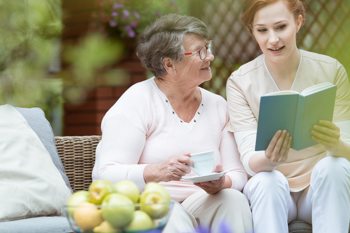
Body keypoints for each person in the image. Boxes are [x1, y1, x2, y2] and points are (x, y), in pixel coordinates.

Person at [93, 14, 253, 233]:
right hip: (150, 204)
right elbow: (105, 175)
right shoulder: (137, 101)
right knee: (170, 214)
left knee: (233, 200)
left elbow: (237, 174)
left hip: (201, 202)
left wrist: (222, 183)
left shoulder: (218, 106)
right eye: (200, 51)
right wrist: (156, 171)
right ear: (169, 64)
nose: (211, 56)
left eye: (208, 47)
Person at [226, 0, 350, 233]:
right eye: (262, 30)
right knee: (266, 180)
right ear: (252, 31)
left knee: (335, 167)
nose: (272, 39)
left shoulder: (331, 70)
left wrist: (335, 144)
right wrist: (270, 159)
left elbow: (348, 150)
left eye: (281, 27)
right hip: (275, 189)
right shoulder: (240, 82)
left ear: (298, 21)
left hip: (318, 188)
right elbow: (249, 159)